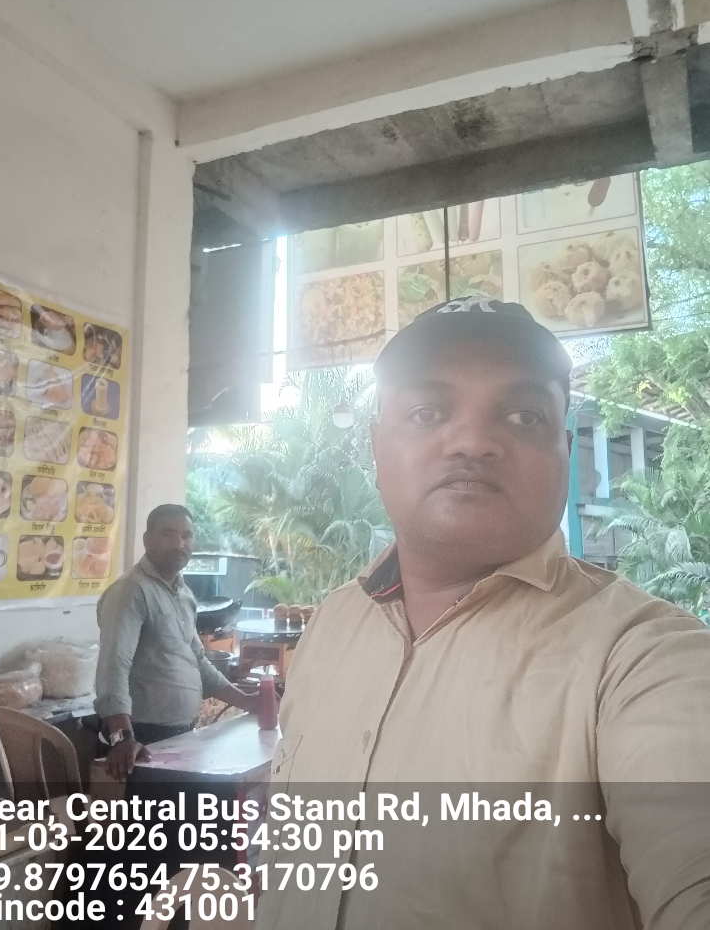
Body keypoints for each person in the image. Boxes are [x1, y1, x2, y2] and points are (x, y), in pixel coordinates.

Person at [258, 297, 710, 930]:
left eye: (523, 415)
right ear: (378, 450)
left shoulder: (643, 659)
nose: (472, 441)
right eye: (427, 412)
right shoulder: (333, 624)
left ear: (564, 452)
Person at [94, 504, 257, 780]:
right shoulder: (130, 592)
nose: (179, 543)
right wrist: (122, 738)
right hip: (139, 741)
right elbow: (114, 663)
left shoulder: (184, 595)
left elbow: (198, 661)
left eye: (186, 536)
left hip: (178, 736)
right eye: (168, 534)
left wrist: (247, 702)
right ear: (147, 540)